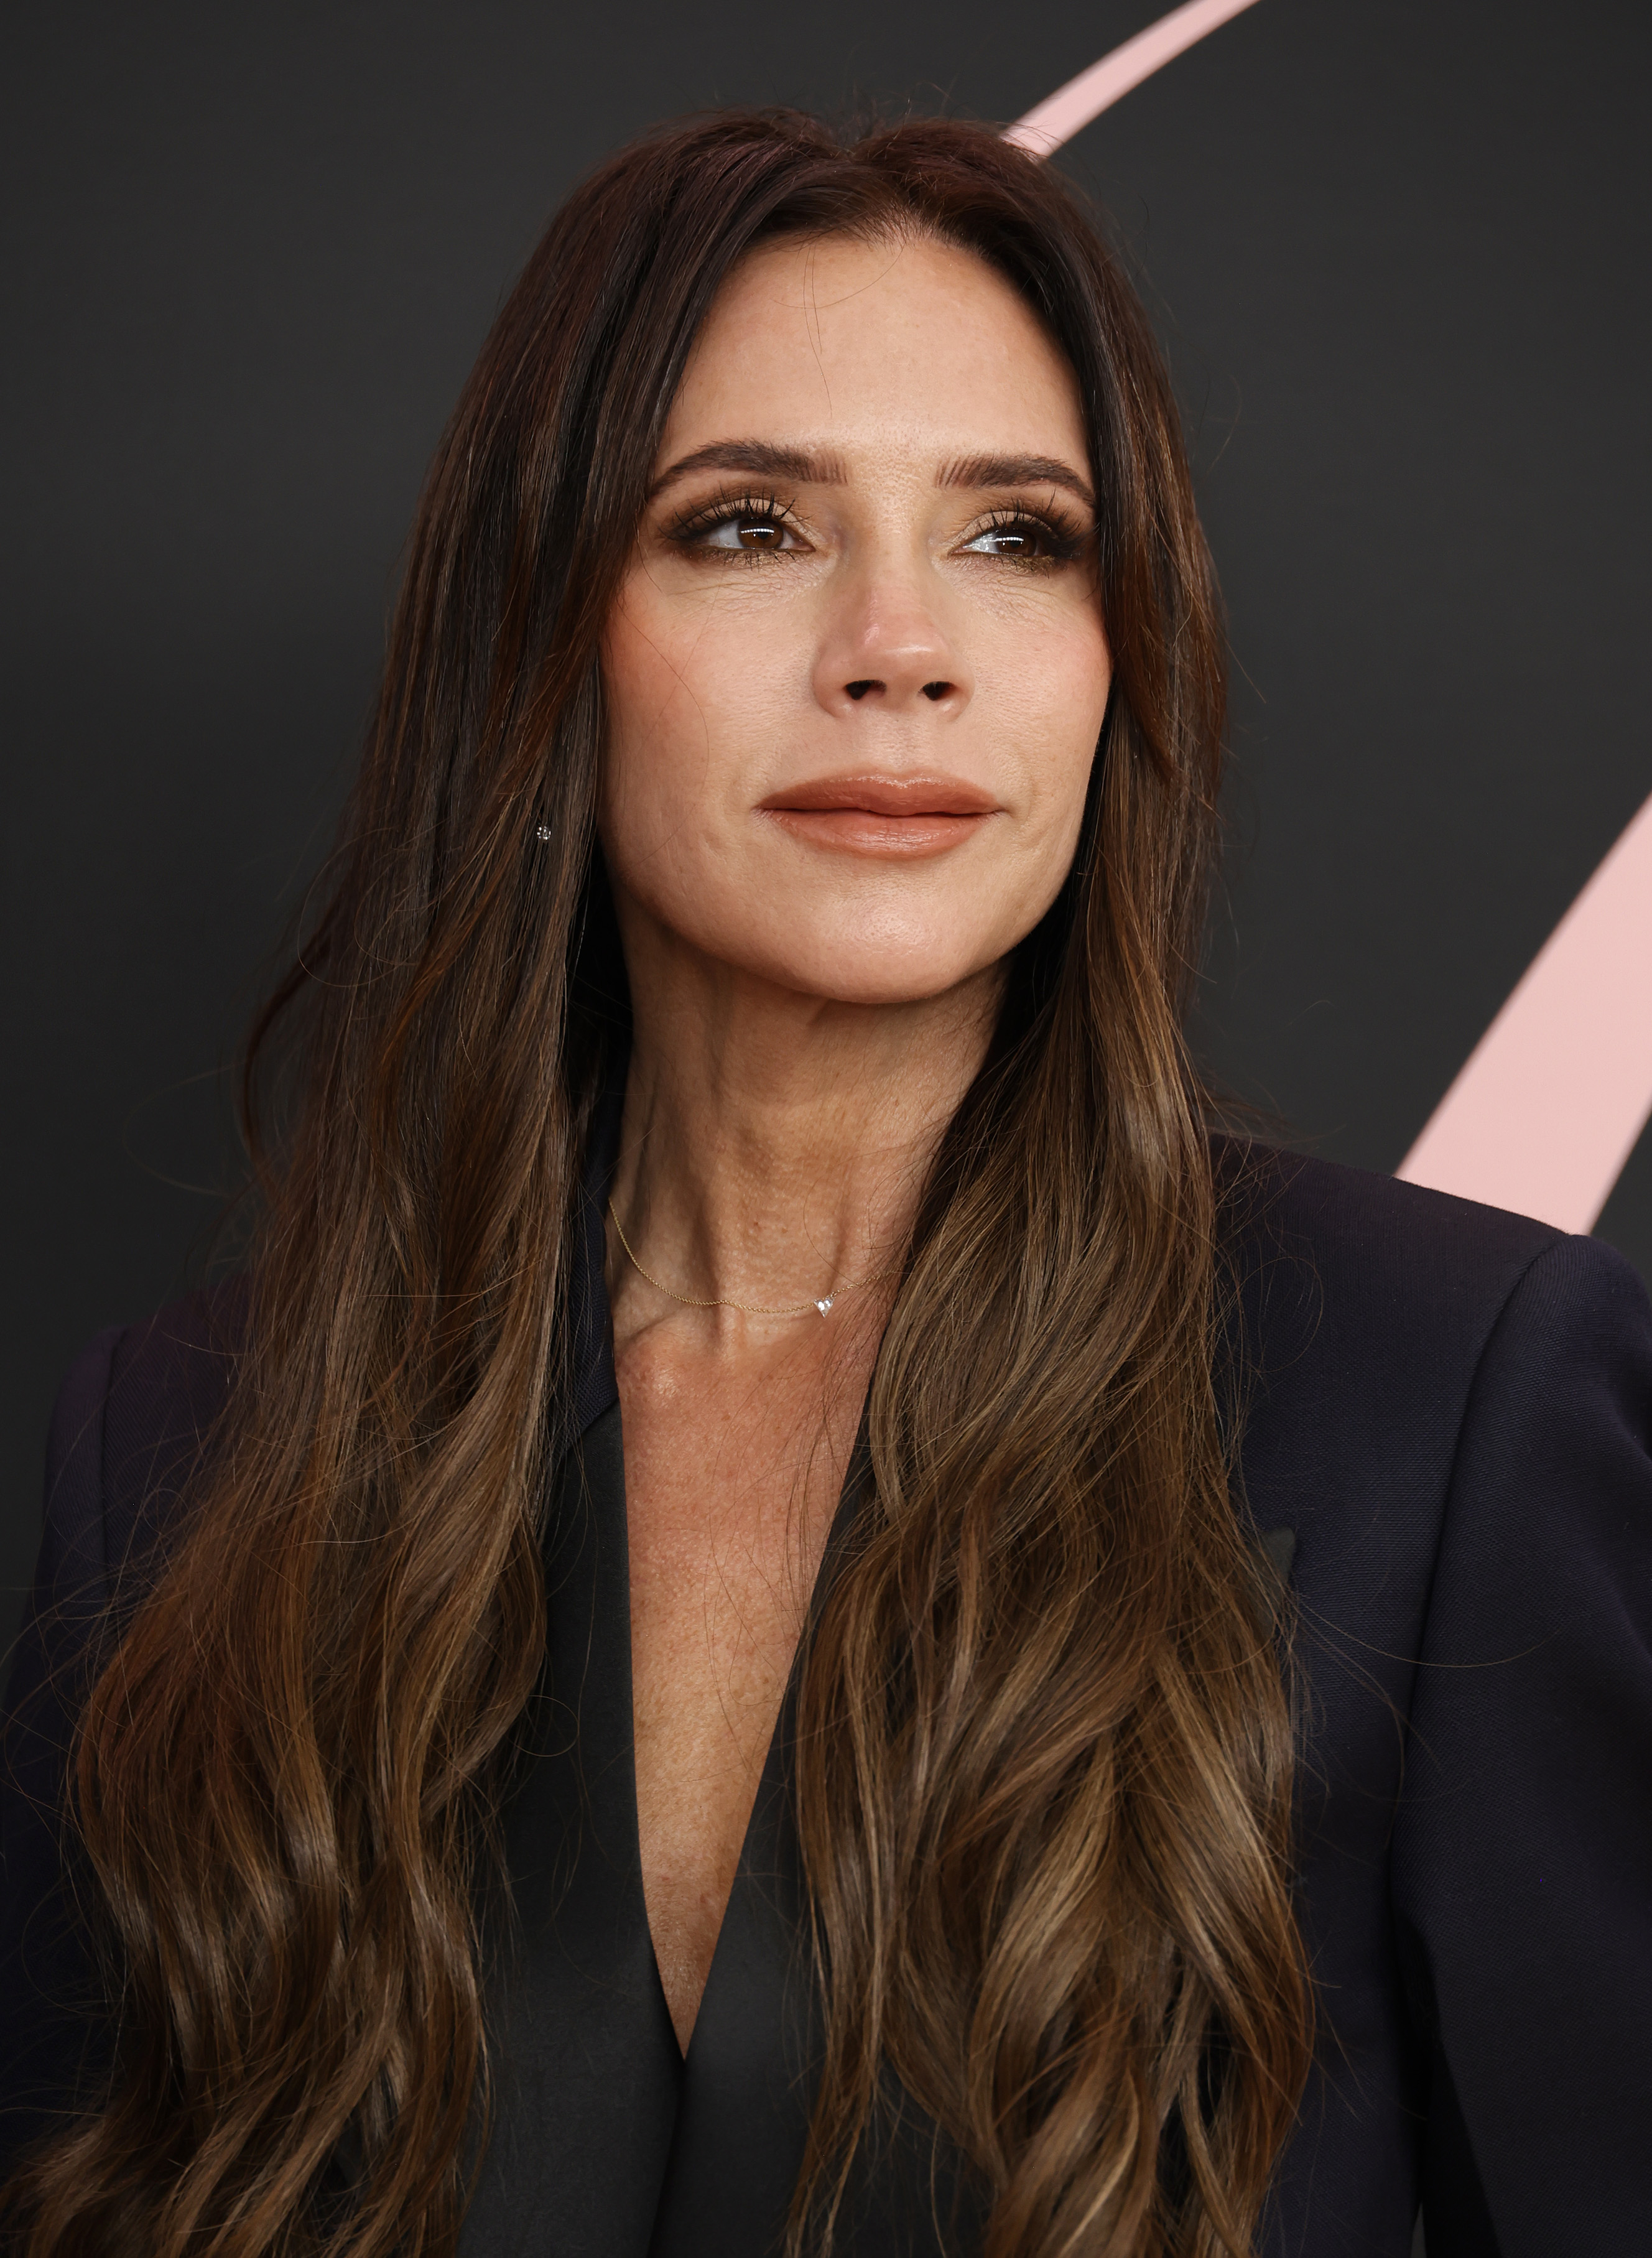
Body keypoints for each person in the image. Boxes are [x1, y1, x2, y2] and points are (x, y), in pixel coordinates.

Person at [1, 109, 1647, 2258]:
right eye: (751, 527)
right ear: (546, 640)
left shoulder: (1467, 1413)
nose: (901, 645)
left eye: (1017, 539)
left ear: (1115, 659)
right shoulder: (179, 1455)